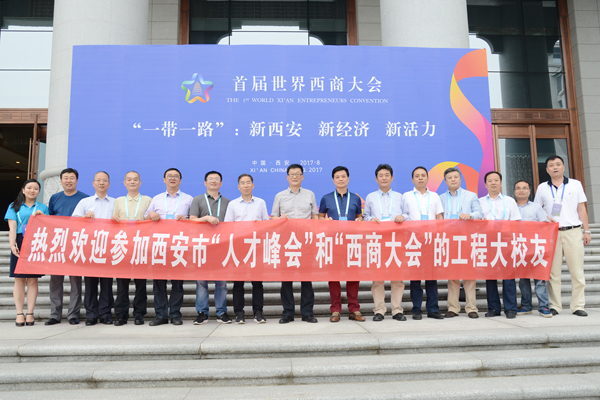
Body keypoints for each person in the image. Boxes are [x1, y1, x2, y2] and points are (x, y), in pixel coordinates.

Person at [534, 155, 591, 317]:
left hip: (573, 231)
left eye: (558, 164)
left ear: (564, 167)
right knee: (553, 273)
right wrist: (546, 218)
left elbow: (581, 208)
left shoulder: (575, 184)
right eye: (551, 165)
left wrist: (586, 230)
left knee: (577, 271)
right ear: (547, 170)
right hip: (552, 233)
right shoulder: (542, 187)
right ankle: (555, 306)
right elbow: (537, 210)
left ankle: (578, 305)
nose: (555, 167)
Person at [145, 167, 193, 326]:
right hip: (159, 245)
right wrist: (150, 214)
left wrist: (187, 220)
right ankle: (160, 315)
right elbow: (145, 218)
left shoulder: (188, 199)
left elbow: (194, 220)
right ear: (164, 180)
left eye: (176, 176)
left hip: (179, 245)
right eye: (169, 176)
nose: (172, 178)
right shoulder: (156, 199)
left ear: (180, 180)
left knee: (177, 283)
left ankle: (175, 314)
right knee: (159, 283)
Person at [271, 164, 319, 324]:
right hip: (287, 242)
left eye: (298, 174)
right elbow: (273, 217)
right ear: (287, 177)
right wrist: (280, 219)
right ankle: (288, 313)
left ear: (302, 177)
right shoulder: (280, 196)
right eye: (292, 174)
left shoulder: (310, 194)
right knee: (286, 279)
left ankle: (307, 313)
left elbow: (315, 217)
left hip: (305, 241)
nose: (295, 177)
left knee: (307, 279)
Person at [318, 166, 365, 323]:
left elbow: (360, 217)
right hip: (334, 242)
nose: (340, 179)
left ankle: (354, 309)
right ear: (333, 180)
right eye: (337, 177)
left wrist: (360, 219)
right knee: (334, 277)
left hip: (352, 242)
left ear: (348, 178)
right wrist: (325, 220)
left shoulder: (356, 198)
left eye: (343, 176)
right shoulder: (326, 198)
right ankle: (335, 310)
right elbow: (319, 218)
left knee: (353, 276)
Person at [363, 164, 406, 322]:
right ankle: (379, 310)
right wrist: (370, 219)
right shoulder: (370, 197)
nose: (384, 178)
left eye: (387, 175)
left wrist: (403, 217)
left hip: (396, 241)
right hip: (378, 241)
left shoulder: (400, 197)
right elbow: (365, 216)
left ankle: (397, 310)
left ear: (392, 178)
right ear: (376, 179)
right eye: (381, 175)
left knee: (397, 278)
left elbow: (407, 214)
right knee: (377, 278)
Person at [224, 173, 269, 324]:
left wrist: (260, 225)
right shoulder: (233, 204)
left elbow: (267, 224)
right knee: (238, 283)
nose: (245, 185)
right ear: (238, 186)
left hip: (256, 247)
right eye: (242, 183)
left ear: (253, 185)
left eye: (248, 182)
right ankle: (239, 313)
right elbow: (228, 226)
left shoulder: (261, 202)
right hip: (239, 247)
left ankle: (258, 312)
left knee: (257, 282)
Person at [46, 168, 89, 325]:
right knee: (55, 281)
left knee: (75, 281)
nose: (69, 181)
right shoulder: (55, 198)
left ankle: (73, 315)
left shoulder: (84, 199)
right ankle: (54, 315)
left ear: (76, 180)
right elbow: (49, 219)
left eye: (72, 178)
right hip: (58, 243)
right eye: (66, 178)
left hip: (76, 243)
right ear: (61, 180)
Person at [72, 171, 116, 325]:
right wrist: (84, 218)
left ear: (109, 184)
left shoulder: (115, 203)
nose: (101, 183)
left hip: (108, 247)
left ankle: (105, 314)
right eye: (98, 180)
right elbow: (73, 222)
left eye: (104, 180)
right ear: (93, 183)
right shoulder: (85, 202)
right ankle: (91, 314)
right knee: (90, 283)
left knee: (107, 283)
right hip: (90, 248)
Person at [402, 166, 445, 320]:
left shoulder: (435, 196)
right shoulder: (406, 196)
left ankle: (433, 309)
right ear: (412, 179)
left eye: (423, 175)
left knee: (431, 277)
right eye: (417, 176)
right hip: (413, 241)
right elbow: (402, 216)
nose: (420, 178)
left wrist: (440, 237)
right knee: (415, 279)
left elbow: (439, 217)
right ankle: (416, 309)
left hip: (431, 240)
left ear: (427, 178)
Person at [439, 167, 483, 319]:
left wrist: (469, 215)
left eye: (455, 177)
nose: (453, 180)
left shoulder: (471, 196)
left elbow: (479, 213)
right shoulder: (440, 198)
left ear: (460, 179)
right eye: (449, 177)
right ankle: (453, 307)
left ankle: (471, 308)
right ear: (445, 181)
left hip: (467, 239)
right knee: (452, 275)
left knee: (469, 274)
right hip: (449, 240)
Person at [5, 179, 49, 326]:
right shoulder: (14, 206)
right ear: (23, 190)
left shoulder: (43, 207)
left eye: (36, 188)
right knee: (19, 279)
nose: (32, 191)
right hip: (20, 240)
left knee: (33, 280)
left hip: (36, 241)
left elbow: (49, 226)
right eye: (29, 188)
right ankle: (19, 313)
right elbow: (12, 227)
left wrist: (43, 216)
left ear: (39, 191)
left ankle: (30, 312)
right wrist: (12, 244)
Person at [189, 171, 232, 324]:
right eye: (210, 179)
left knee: (222, 283)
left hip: (222, 247)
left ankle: (221, 312)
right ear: (205, 183)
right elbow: (192, 220)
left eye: (217, 179)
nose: (214, 181)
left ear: (221, 183)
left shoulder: (227, 202)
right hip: (202, 247)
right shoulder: (197, 200)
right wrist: (206, 218)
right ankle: (202, 313)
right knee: (201, 283)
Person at [111, 171, 152, 326]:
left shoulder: (147, 200)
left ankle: (139, 314)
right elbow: (113, 221)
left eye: (135, 179)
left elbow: (151, 220)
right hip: (123, 246)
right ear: (124, 182)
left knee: (141, 284)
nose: (132, 182)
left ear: (140, 182)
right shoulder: (118, 201)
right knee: (122, 283)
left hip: (141, 246)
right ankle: (121, 315)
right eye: (129, 179)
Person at [478, 171, 521, 319]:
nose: (493, 183)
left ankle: (510, 308)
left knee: (509, 276)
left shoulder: (509, 201)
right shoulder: (480, 202)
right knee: (490, 277)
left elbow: (516, 222)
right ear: (485, 184)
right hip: (488, 241)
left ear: (501, 183)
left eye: (496, 180)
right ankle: (493, 308)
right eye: (490, 181)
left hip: (506, 241)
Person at [513, 180, 552, 318]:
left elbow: (544, 225)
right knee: (523, 280)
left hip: (535, 247)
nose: (521, 190)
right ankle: (526, 306)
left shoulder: (536, 207)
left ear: (529, 191)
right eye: (518, 188)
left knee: (539, 279)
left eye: (524, 188)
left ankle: (544, 306)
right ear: (514, 191)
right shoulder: (511, 206)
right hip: (519, 247)